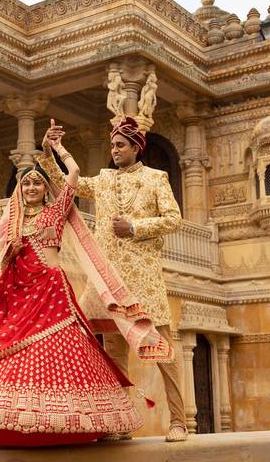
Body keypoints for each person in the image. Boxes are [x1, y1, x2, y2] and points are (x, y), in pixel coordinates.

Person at [0, 126, 169, 445]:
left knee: (62, 356)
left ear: (45, 189)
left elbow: (75, 173)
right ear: (19, 190)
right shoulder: (12, 222)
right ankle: (24, 423)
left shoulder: (55, 212)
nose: (32, 187)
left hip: (51, 294)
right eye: (26, 183)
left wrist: (55, 147)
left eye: (37, 182)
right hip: (20, 295)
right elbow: (1, 263)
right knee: (11, 356)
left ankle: (71, 424)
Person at [39, 116, 187, 442]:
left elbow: (173, 218)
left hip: (143, 280)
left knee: (162, 352)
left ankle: (179, 421)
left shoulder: (155, 178)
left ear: (136, 147)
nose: (115, 150)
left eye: (120, 145)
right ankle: (121, 423)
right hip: (108, 279)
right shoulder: (104, 180)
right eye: (112, 145)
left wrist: (134, 227)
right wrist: (52, 149)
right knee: (115, 355)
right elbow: (66, 182)